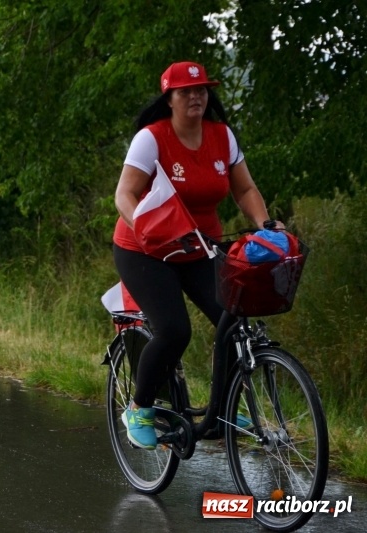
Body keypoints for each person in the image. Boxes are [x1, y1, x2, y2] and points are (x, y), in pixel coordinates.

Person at [112, 61, 283, 450]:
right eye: (186, 91)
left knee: (232, 316)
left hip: (199, 247)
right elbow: (124, 194)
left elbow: (245, 190)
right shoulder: (151, 138)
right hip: (145, 249)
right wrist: (144, 225)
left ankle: (220, 411)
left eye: (202, 90)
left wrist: (266, 224)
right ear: (169, 98)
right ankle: (139, 408)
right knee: (175, 329)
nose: (196, 96)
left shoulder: (222, 137)